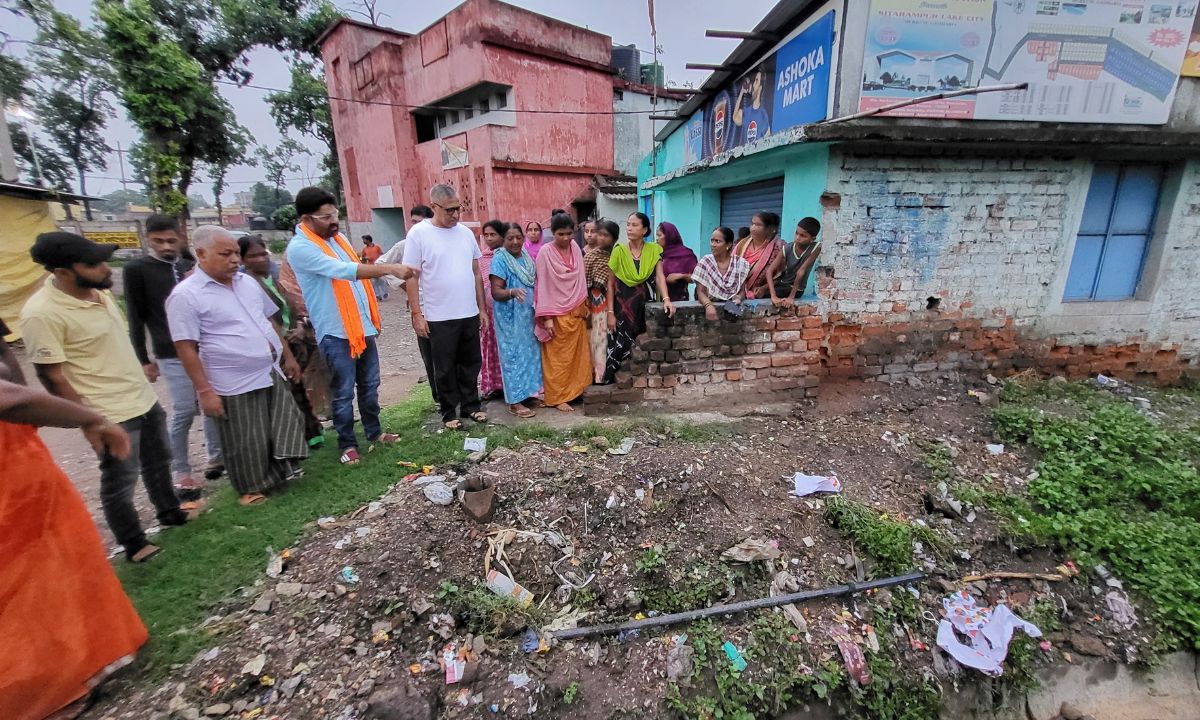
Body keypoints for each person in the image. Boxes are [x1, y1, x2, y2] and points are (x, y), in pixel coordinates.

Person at [0, 344, 149, 720]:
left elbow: (10, 374)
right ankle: (35, 691)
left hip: (23, 473)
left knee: (56, 568)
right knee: (15, 587)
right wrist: (90, 418)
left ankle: (78, 664)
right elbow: (12, 399)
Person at [21, 231, 188, 562]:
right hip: (108, 411)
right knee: (121, 479)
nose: (105, 269)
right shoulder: (41, 313)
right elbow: (50, 376)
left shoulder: (99, 293)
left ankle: (170, 512)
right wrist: (89, 422)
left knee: (159, 461)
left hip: (141, 397)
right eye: (94, 264)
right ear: (63, 272)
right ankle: (135, 544)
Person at [167, 226, 307, 506]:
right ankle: (250, 488)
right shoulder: (186, 295)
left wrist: (287, 356)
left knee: (281, 423)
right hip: (230, 378)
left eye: (235, 253)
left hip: (269, 369)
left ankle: (280, 473)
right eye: (225, 254)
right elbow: (186, 348)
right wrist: (205, 391)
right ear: (201, 254)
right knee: (246, 436)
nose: (234, 260)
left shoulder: (246, 283)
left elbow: (270, 321)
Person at [286, 187, 417, 465]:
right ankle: (347, 444)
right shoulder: (300, 248)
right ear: (307, 219)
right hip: (336, 332)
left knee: (370, 385)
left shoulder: (339, 238)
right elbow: (345, 272)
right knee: (343, 392)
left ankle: (374, 432)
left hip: (362, 327)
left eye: (335, 214)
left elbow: (354, 276)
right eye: (326, 217)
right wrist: (390, 269)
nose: (334, 221)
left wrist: (370, 319)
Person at [124, 213, 223, 497]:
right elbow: (135, 317)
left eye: (171, 240)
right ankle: (181, 470)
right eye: (159, 241)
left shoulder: (189, 265)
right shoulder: (137, 269)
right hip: (170, 352)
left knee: (211, 404)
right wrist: (144, 359)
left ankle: (216, 457)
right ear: (148, 239)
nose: (166, 246)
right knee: (184, 409)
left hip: (203, 348)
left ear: (181, 237)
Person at [404, 184, 490, 429]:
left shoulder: (464, 233)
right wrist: (417, 314)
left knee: (471, 362)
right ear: (434, 207)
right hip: (438, 315)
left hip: (468, 312)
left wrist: (481, 308)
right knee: (444, 367)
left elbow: (475, 272)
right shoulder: (419, 234)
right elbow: (411, 276)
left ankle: (471, 406)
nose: (455, 215)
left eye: (458, 209)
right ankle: (449, 412)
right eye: (450, 210)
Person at [240, 236, 325, 447]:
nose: (261, 259)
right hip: (276, 348)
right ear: (242, 260)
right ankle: (295, 438)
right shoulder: (247, 285)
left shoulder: (273, 279)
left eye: (263, 254)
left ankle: (312, 433)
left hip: (296, 341)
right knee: (288, 394)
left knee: (301, 389)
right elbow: (263, 321)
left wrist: (299, 326)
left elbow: (290, 309)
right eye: (253, 256)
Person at [603, 212, 675, 384]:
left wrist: (666, 299)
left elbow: (659, 277)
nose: (629, 228)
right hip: (623, 307)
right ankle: (614, 384)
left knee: (643, 343)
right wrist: (610, 312)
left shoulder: (654, 250)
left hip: (645, 305)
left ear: (645, 229)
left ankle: (642, 381)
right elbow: (610, 284)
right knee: (620, 345)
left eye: (634, 225)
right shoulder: (619, 251)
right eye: (628, 224)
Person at [534, 213, 591, 411]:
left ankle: (576, 391)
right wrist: (547, 318)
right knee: (558, 358)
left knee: (578, 356)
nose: (566, 238)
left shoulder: (575, 247)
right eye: (561, 234)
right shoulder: (545, 253)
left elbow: (580, 278)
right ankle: (558, 397)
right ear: (552, 233)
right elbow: (543, 285)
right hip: (555, 314)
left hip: (576, 311)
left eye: (569, 233)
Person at [489, 223, 543, 418]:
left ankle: (530, 394)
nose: (515, 242)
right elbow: (496, 292)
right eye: (510, 238)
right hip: (509, 316)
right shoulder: (500, 259)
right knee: (512, 356)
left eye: (518, 237)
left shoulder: (526, 257)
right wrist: (511, 292)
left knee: (530, 354)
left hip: (526, 315)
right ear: (503, 240)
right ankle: (515, 402)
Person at [693, 226, 751, 321]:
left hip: (730, 309)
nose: (713, 244)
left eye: (717, 241)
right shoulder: (705, 261)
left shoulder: (740, 263)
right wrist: (708, 306)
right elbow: (700, 291)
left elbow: (742, 290)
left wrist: (738, 299)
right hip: (707, 310)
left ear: (728, 244)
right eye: (712, 241)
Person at [585, 219, 617, 383]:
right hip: (596, 304)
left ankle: (610, 374)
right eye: (600, 234)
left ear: (614, 238)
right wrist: (588, 308)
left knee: (611, 340)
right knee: (597, 341)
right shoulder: (590, 257)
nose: (602, 238)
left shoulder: (618, 255)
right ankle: (598, 377)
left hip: (616, 304)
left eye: (606, 235)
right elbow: (584, 284)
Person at [477, 220, 506, 400]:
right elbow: (478, 285)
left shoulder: (507, 256)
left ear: (501, 236)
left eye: (493, 234)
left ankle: (507, 385)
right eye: (486, 235)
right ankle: (492, 385)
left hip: (505, 312)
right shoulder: (481, 258)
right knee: (489, 348)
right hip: (487, 313)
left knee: (505, 348)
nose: (489, 238)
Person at [773, 217, 823, 307]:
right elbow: (770, 271)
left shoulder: (816, 248)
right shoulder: (788, 247)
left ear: (813, 238)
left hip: (796, 290)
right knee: (762, 289)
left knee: (767, 293)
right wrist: (773, 296)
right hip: (783, 283)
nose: (797, 238)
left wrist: (791, 297)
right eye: (796, 233)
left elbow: (801, 271)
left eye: (803, 236)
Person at [734, 210, 784, 300]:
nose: (753, 228)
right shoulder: (742, 244)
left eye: (758, 225)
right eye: (752, 224)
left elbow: (781, 276)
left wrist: (764, 288)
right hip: (735, 290)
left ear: (768, 228)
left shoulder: (779, 248)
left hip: (758, 293)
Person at [656, 221, 698, 302]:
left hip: (680, 299)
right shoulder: (656, 253)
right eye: (656, 235)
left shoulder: (686, 254)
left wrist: (681, 276)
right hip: (657, 300)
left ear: (669, 236)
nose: (657, 239)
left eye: (659, 235)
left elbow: (696, 278)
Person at [733, 70, 770, 145]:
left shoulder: (763, 114)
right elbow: (735, 117)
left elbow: (768, 139)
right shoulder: (746, 111)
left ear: (760, 88)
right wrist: (741, 93)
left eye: (756, 81)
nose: (753, 85)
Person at [360, 234, 388, 301]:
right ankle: (377, 295)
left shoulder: (377, 247)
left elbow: (382, 255)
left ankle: (385, 293)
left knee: (382, 281)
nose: (363, 241)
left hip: (378, 266)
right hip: (370, 267)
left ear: (368, 240)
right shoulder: (364, 249)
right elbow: (361, 257)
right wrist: (364, 258)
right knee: (374, 282)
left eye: (364, 240)